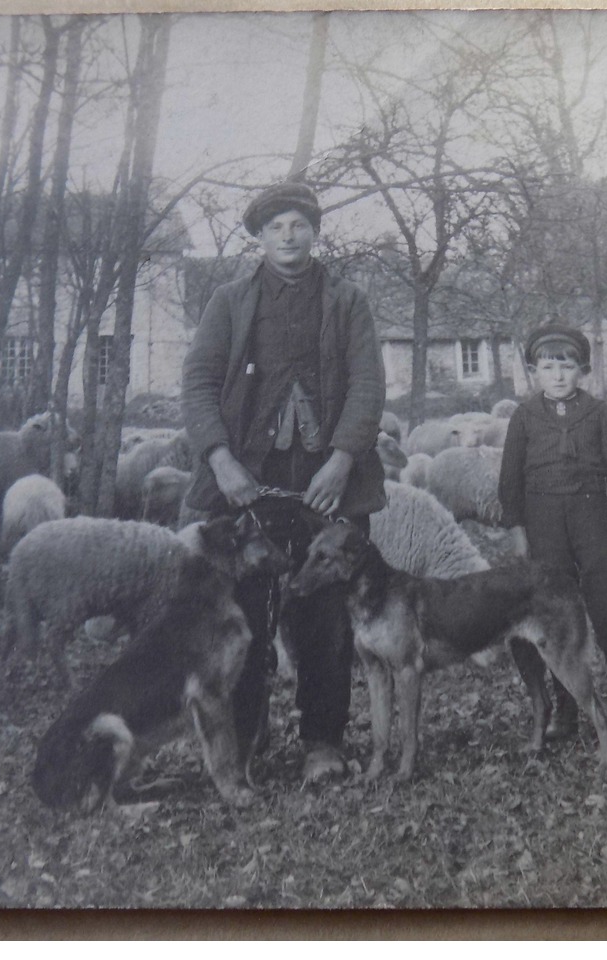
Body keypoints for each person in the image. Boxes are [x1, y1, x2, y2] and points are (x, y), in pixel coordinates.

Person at [181, 181, 387, 783]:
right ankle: (242, 740)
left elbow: (368, 386)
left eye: (298, 224)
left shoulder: (348, 301)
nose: (288, 236)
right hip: (249, 481)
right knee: (245, 614)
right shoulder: (229, 301)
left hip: (328, 482)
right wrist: (220, 458)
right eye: (275, 227)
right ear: (260, 237)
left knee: (325, 610)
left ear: (315, 231)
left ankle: (322, 740)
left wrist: (343, 458)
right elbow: (197, 383)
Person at [498, 325, 607, 738]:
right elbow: (509, 482)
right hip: (543, 522)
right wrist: (518, 532)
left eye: (567, 367)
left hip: (592, 517)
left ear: (582, 370)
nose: (558, 376)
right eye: (548, 367)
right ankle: (566, 708)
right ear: (533, 371)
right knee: (554, 613)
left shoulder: (598, 413)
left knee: (605, 605)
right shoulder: (524, 417)